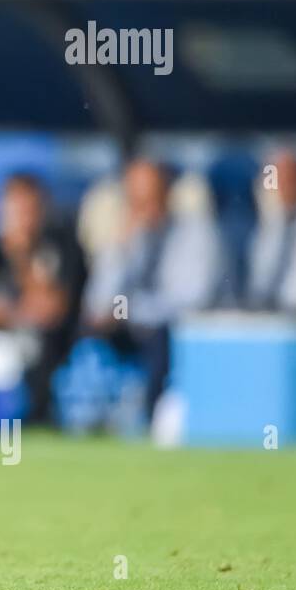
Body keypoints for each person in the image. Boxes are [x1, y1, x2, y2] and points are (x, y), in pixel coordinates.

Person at [81, 159, 222, 413]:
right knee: (88, 332)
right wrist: (121, 250)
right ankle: (87, 416)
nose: (144, 209)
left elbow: (193, 300)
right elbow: (97, 301)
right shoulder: (125, 238)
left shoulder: (196, 233)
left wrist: (134, 311)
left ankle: (153, 416)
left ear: (167, 193)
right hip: (129, 329)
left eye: (151, 198)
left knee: (159, 338)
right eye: (136, 201)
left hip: (175, 331)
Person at [0, 173, 85, 423]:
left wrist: (22, 258)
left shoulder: (64, 248)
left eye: (29, 210)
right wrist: (12, 313)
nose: (22, 219)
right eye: (15, 210)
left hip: (51, 350)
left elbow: (49, 312)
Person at [245, 149, 296, 311]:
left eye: (288, 178)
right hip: (269, 311)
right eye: (276, 179)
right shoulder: (271, 223)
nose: (282, 186)